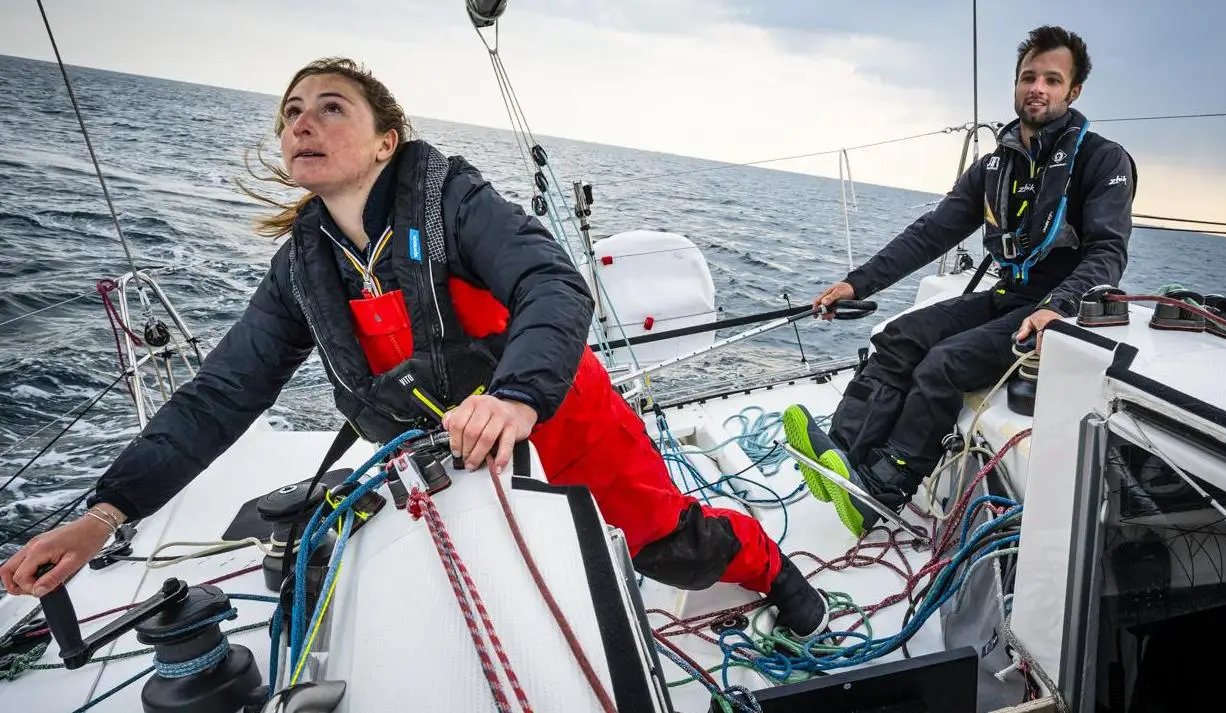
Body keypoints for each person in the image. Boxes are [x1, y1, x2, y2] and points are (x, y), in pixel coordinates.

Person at [0, 57, 830, 639]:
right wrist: (109, 512)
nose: (303, 121)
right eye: (291, 111)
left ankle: (771, 566)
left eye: (330, 106)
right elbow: (222, 392)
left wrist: (515, 395)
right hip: (438, 449)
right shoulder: (304, 269)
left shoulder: (455, 204)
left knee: (671, 551)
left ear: (386, 139)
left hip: (557, 413)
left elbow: (554, 285)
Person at [783, 26, 1137, 536]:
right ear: (1016, 84)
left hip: (1053, 311)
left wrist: (1057, 304)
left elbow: (1108, 252)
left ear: (1073, 91)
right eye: (1028, 77)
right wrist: (858, 284)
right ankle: (842, 455)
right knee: (899, 337)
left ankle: (881, 490)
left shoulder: (1103, 160)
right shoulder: (997, 163)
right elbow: (933, 232)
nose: (1037, 87)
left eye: (1052, 80)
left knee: (944, 364)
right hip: (1005, 295)